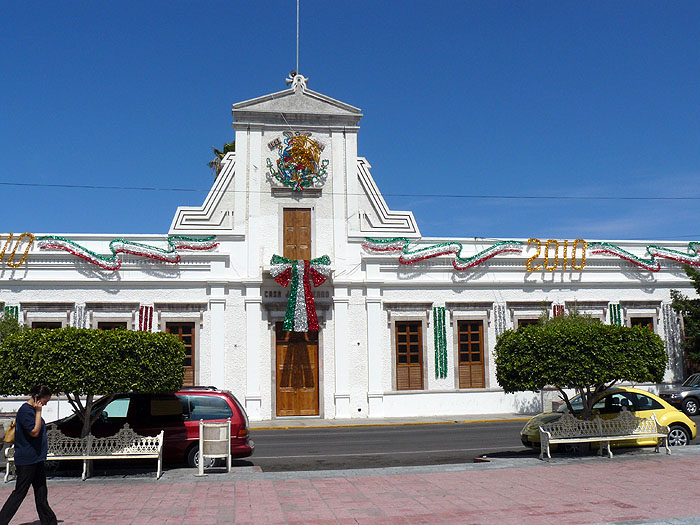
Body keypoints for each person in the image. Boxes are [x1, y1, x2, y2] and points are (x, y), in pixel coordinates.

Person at [0, 385, 57, 525]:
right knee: (20, 492)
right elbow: (34, 431)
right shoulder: (26, 411)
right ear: (37, 398)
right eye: (45, 400)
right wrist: (38, 412)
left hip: (36, 458)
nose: (46, 403)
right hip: (27, 459)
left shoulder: (32, 410)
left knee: (41, 491)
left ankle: (49, 521)